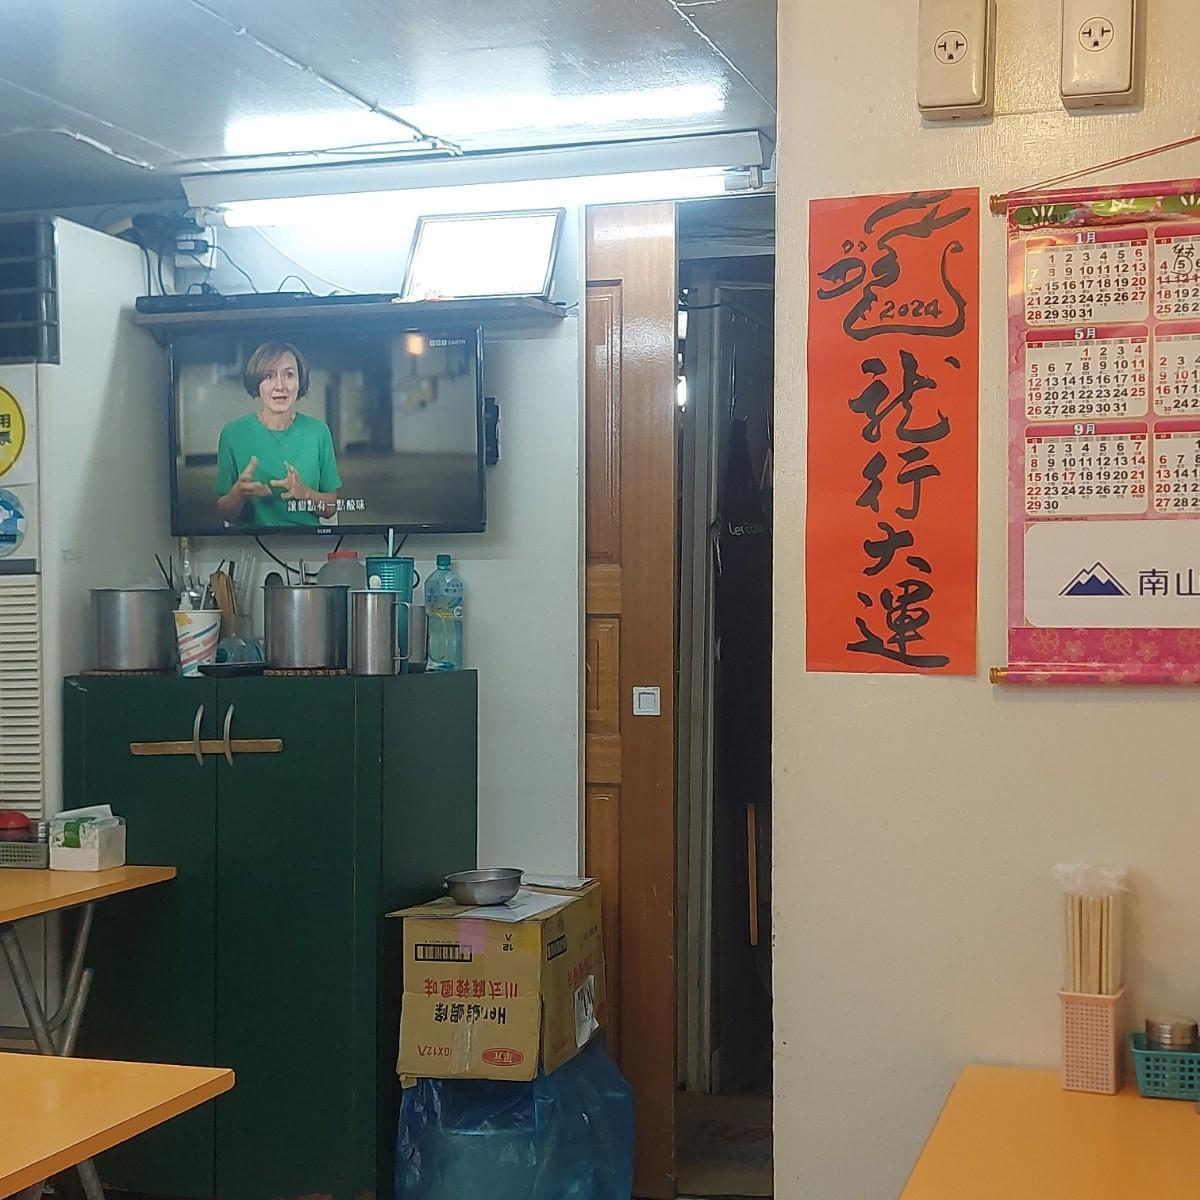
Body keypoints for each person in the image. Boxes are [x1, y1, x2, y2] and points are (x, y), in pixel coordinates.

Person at [214, 341, 341, 527]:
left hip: (307, 540)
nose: (280, 386)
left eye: (289, 374)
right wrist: (238, 493)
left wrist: (304, 492)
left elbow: (330, 508)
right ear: (257, 382)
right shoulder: (233, 434)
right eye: (269, 376)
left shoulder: (318, 432)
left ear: (300, 381)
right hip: (251, 542)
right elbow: (226, 514)